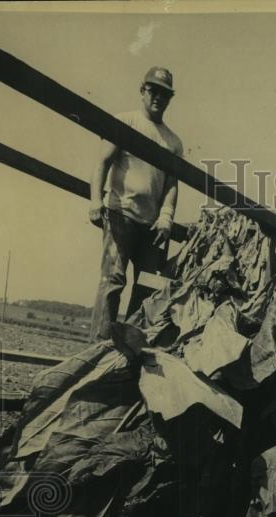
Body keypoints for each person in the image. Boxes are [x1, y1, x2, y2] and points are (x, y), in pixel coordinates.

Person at [89, 66, 183, 340]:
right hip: (121, 213)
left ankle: (130, 351)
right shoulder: (126, 122)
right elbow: (103, 163)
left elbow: (172, 184)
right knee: (113, 281)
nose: (158, 98)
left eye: (164, 94)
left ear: (170, 99)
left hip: (151, 225)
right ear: (142, 90)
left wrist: (166, 216)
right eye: (153, 90)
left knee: (147, 289)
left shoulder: (173, 142)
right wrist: (96, 200)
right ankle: (100, 347)